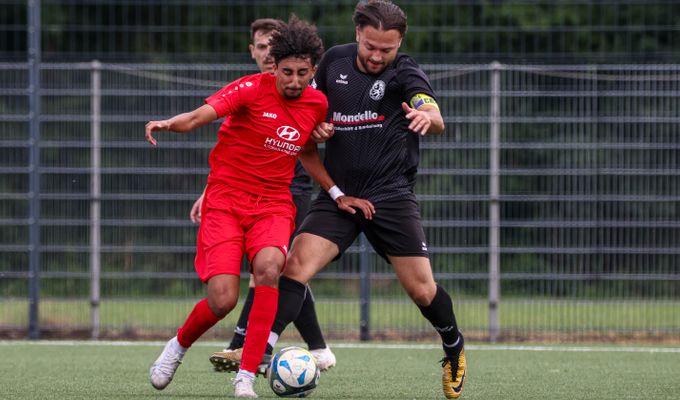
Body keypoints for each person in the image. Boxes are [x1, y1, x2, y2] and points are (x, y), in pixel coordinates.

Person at [213, 1, 467, 398]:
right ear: (357, 36)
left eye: (387, 48)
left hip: (391, 196)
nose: (377, 56)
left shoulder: (405, 71)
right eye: (370, 46)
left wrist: (427, 119)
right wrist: (314, 128)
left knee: (422, 291)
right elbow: (304, 109)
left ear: (400, 43)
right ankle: (261, 352)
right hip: (339, 195)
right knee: (293, 267)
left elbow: (431, 112)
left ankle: (453, 345)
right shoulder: (333, 62)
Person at [146, 16, 373, 398]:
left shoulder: (317, 103)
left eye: (303, 73)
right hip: (225, 201)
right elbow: (201, 115)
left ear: (313, 71)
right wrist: (171, 124)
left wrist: (336, 193)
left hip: (272, 205)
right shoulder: (250, 88)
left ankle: (246, 378)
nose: (295, 81)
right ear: (274, 67)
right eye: (287, 72)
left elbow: (308, 153)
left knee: (270, 268)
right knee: (223, 299)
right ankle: (177, 347)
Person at [188, 18, 336, 373]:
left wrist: (322, 130)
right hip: (241, 193)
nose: (268, 54)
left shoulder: (304, 89)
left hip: (288, 188)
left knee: (272, 268)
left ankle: (247, 346)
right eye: (262, 47)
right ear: (253, 51)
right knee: (277, 271)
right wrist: (210, 191)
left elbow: (320, 121)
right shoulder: (251, 91)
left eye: (274, 47)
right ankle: (314, 348)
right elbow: (235, 150)